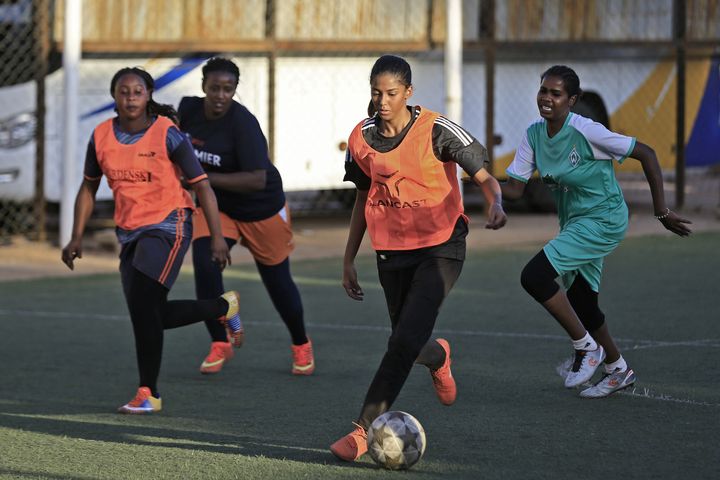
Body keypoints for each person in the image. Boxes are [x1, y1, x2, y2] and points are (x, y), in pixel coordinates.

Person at [330, 54, 507, 462]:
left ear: (408, 93)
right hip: (391, 252)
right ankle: (439, 356)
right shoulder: (361, 139)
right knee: (405, 341)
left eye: (392, 93)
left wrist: (494, 202)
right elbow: (361, 198)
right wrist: (348, 259)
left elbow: (485, 176)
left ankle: (361, 431)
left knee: (403, 340)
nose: (383, 101)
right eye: (377, 93)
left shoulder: (436, 130)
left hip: (441, 246)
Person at [502, 65, 692, 398]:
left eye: (556, 93)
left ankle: (586, 348)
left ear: (572, 100)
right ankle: (618, 369)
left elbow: (646, 153)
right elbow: (515, 190)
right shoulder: (533, 134)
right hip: (575, 222)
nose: (547, 98)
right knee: (582, 300)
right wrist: (479, 179)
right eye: (543, 90)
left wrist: (661, 211)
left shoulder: (587, 131)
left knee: (533, 276)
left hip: (604, 219)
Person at [61, 67, 242, 414]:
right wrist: (75, 236)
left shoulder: (167, 133)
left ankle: (149, 394)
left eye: (137, 92)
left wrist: (217, 237)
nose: (130, 98)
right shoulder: (100, 135)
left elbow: (202, 185)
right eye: (124, 92)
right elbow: (88, 186)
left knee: (146, 309)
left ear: (148, 96)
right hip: (129, 231)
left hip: (169, 225)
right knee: (149, 315)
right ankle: (223, 307)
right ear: (114, 96)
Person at [177, 57, 313, 376]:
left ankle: (300, 342)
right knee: (205, 263)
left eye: (228, 89)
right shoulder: (188, 111)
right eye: (214, 88)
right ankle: (219, 341)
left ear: (235, 90)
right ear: (203, 87)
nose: (221, 95)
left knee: (278, 283)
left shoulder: (243, 123)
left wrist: (204, 180)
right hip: (219, 207)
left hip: (261, 208)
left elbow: (257, 179)